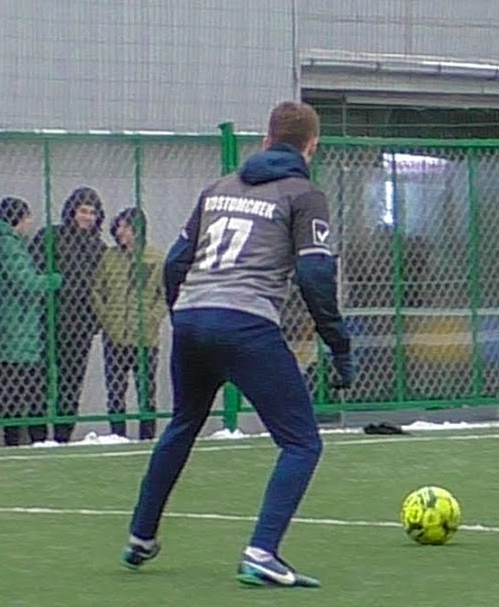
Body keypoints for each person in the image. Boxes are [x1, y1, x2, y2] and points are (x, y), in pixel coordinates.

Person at [120, 101, 354, 588]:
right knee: (301, 441)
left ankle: (141, 535)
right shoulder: (304, 194)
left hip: (190, 316)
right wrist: (338, 343)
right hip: (246, 322)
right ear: (311, 146)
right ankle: (262, 552)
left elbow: (175, 262)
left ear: (266, 139)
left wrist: (184, 312)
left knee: (184, 423)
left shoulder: (219, 187)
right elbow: (314, 272)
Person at [0, 197, 63, 447]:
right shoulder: (8, 246)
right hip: (15, 327)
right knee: (8, 386)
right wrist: (54, 280)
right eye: (27, 218)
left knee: (8, 387)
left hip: (17, 327)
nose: (29, 223)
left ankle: (3, 435)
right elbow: (25, 281)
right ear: (18, 219)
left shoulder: (8, 244)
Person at [34, 187, 106, 443]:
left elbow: (103, 288)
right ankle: (39, 435)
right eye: (82, 211)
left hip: (81, 327)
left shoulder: (99, 248)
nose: (87, 217)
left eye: (92, 212)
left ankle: (63, 435)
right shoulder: (51, 236)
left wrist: (95, 322)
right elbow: (37, 273)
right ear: (72, 212)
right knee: (40, 381)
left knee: (71, 383)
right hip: (49, 322)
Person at [91, 207, 165, 440]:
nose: (120, 231)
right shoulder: (110, 257)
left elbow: (164, 295)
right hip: (115, 337)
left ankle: (147, 437)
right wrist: (107, 319)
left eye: (125, 227)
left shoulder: (155, 258)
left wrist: (152, 318)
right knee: (115, 391)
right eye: (119, 226)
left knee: (146, 392)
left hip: (144, 338)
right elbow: (96, 290)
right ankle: (117, 436)